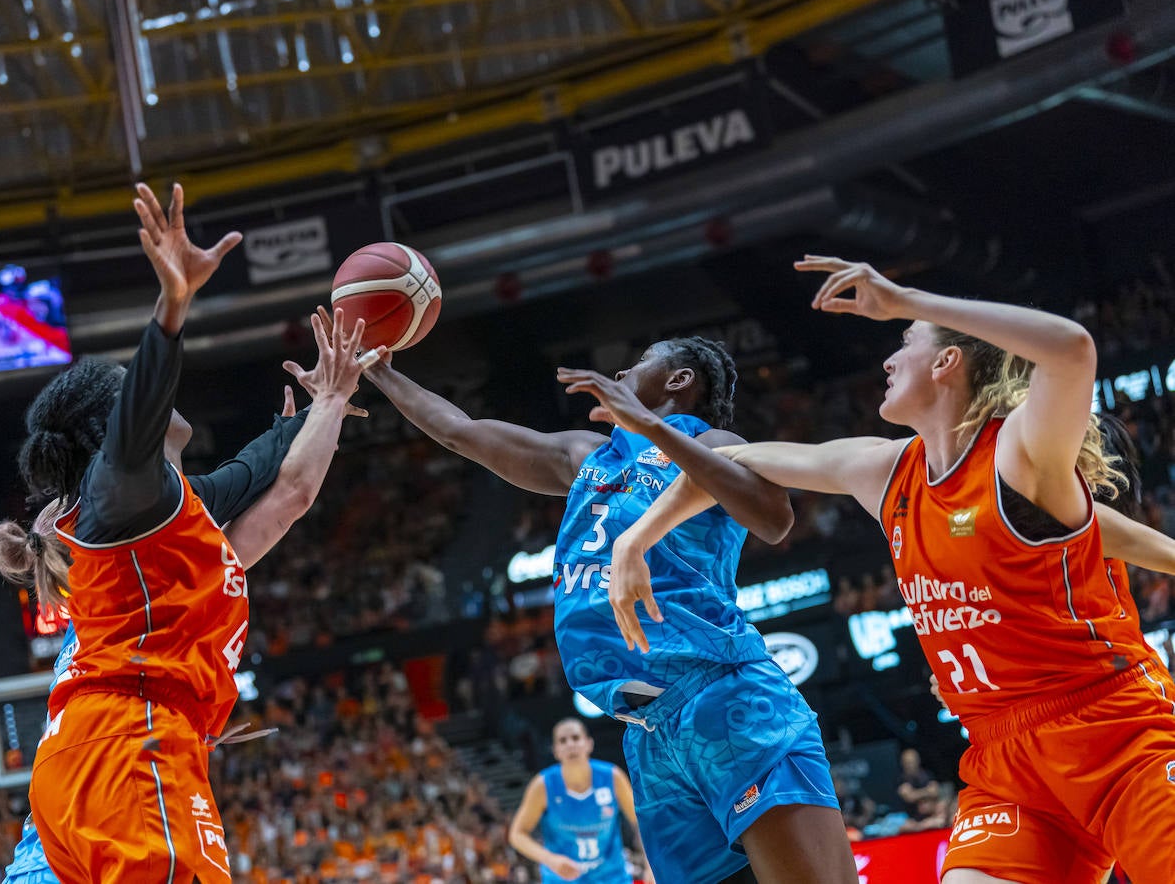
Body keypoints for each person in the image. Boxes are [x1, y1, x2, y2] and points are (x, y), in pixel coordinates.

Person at [608, 256, 1175, 884]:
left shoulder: (1017, 452)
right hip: (1005, 760)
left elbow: (1071, 349)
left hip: (1115, 731)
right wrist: (636, 538)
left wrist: (908, 300)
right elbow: (732, 465)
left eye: (904, 343)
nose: (887, 360)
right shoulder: (883, 471)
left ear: (946, 361)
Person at [363, 334, 857, 883]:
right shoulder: (587, 456)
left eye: (641, 362)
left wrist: (650, 428)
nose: (622, 371)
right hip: (649, 733)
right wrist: (380, 371)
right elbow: (460, 432)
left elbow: (774, 517)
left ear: (679, 379)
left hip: (724, 696)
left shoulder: (712, 441)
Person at [0, 182, 366, 883]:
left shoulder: (166, 518)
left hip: (88, 768)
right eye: (135, 391)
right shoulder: (115, 493)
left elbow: (276, 487)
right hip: (126, 745)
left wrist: (324, 405)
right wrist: (171, 307)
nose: (159, 395)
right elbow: (139, 419)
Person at [508, 719, 652, 884]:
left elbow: (641, 822)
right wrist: (550, 859)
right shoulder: (542, 785)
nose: (570, 744)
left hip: (612, 877)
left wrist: (651, 865)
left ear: (589, 744)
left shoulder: (613, 777)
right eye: (563, 741)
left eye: (576, 738)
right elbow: (516, 834)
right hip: (561, 879)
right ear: (555, 751)